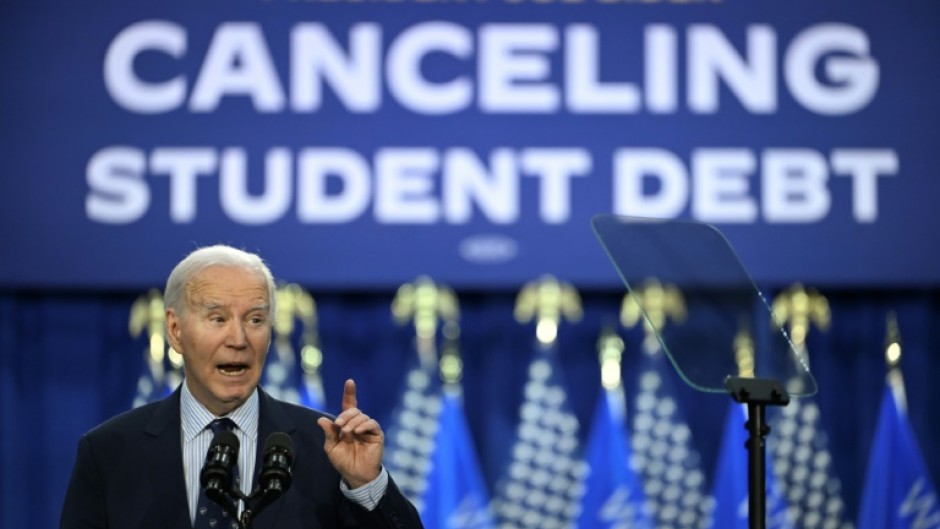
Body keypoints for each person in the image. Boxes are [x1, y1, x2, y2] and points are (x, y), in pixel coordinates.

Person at [61, 244, 425, 529]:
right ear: (175, 330)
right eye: (217, 318)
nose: (238, 338)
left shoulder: (326, 449)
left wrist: (367, 484)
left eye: (255, 319)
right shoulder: (108, 453)